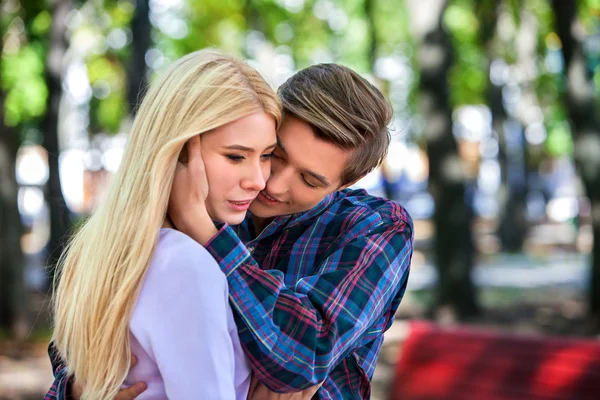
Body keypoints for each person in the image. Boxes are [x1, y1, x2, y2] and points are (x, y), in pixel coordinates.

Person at [46, 63, 413, 399]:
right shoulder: (210, 200)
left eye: (308, 180)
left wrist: (207, 236)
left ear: (341, 185)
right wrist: (81, 390)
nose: (270, 183)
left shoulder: (375, 228)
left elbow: (302, 357)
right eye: (275, 155)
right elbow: (88, 338)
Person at [47, 49, 281, 400]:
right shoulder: (185, 264)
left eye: (266, 156)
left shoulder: (100, 247)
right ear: (178, 151)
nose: (258, 180)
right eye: (236, 156)